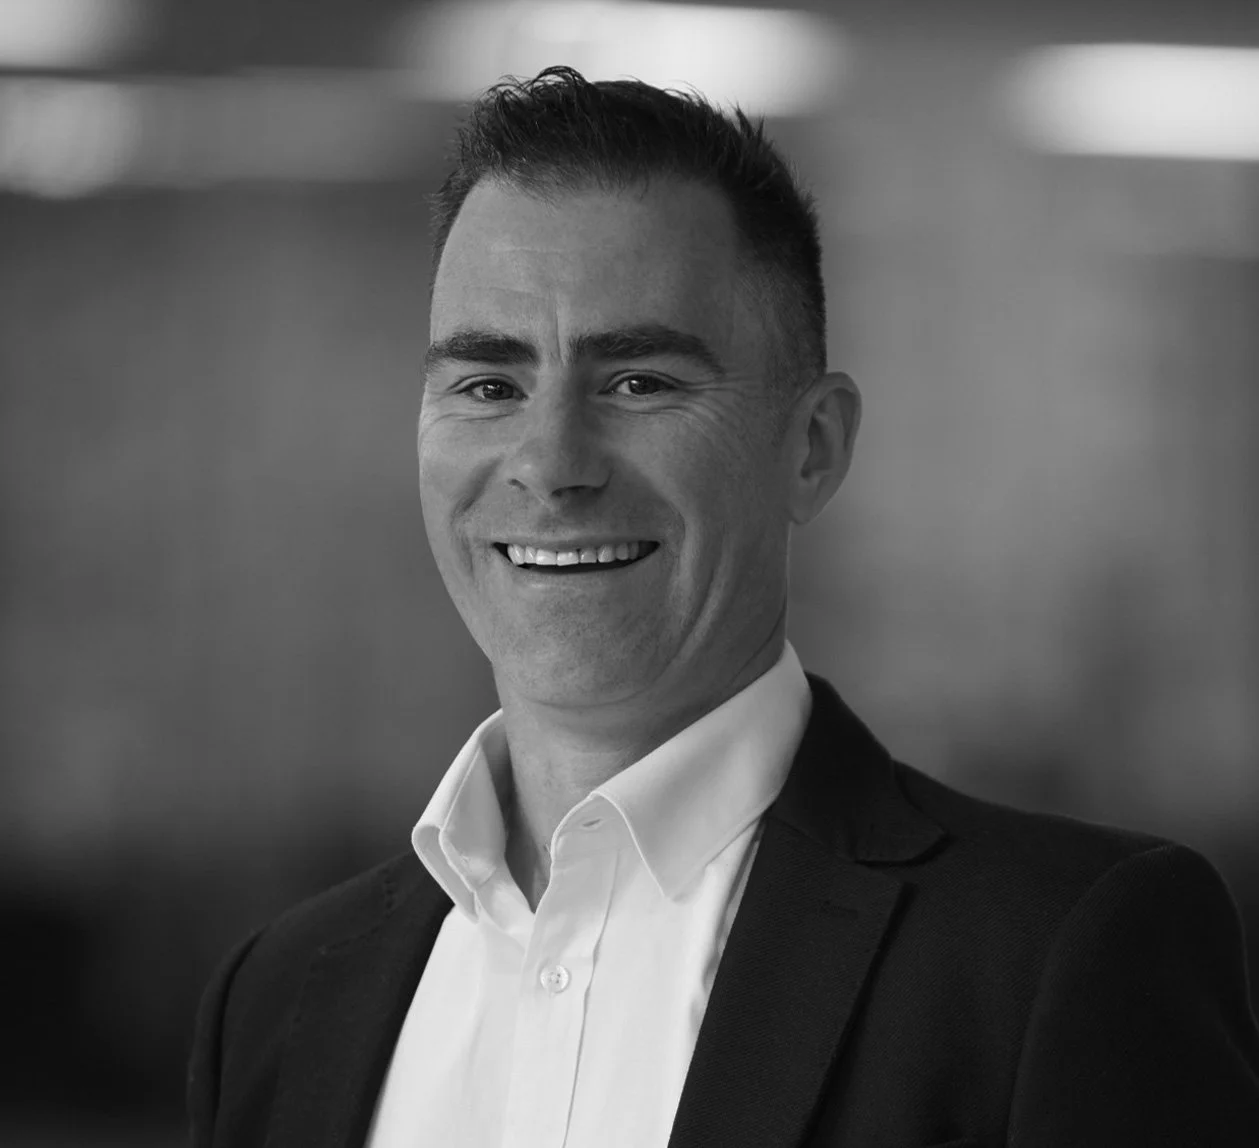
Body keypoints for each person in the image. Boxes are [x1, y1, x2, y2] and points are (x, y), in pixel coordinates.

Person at [187, 65, 1259, 1147]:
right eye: (487, 384)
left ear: (812, 447)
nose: (550, 464)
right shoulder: (277, 1002)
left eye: (638, 381)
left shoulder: (1054, 956)